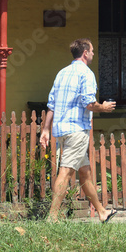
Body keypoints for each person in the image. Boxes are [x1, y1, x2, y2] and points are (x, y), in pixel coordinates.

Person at [40, 38, 117, 223]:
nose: (92, 54)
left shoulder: (62, 73)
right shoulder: (86, 73)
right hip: (76, 130)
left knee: (85, 172)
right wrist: (104, 108)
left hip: (61, 130)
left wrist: (45, 129)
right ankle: (52, 218)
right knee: (65, 172)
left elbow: (51, 104)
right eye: (91, 51)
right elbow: (88, 104)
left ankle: (101, 212)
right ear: (85, 53)